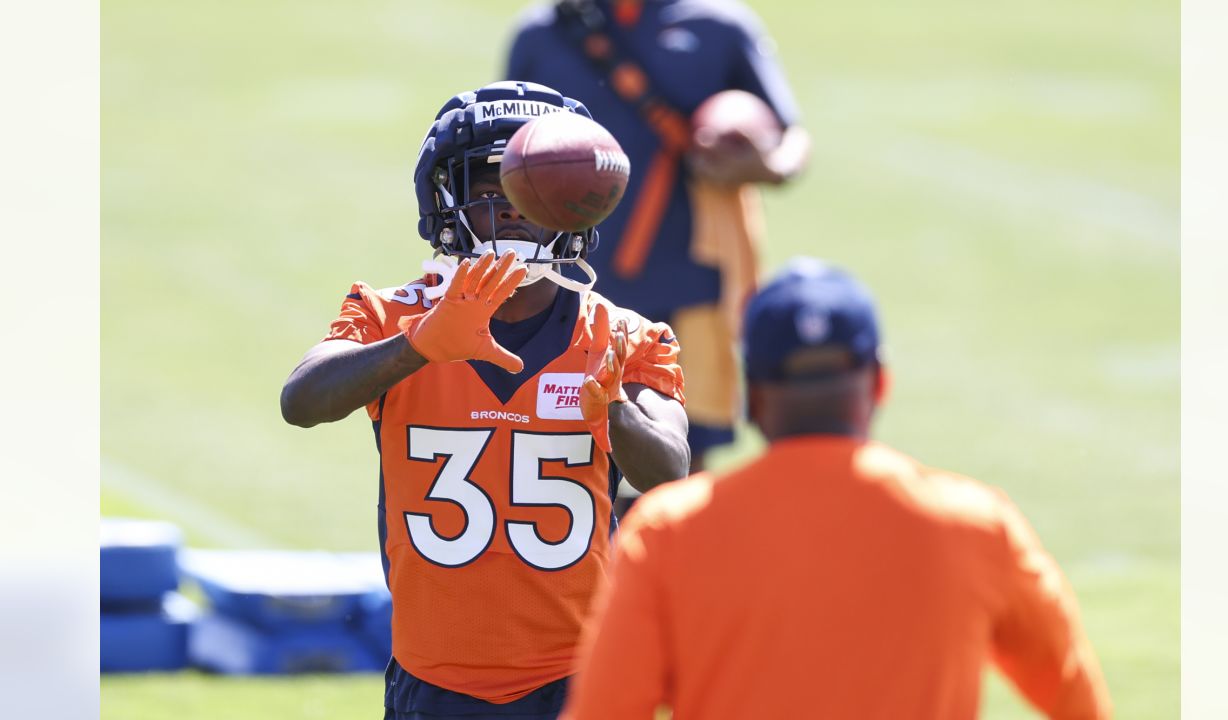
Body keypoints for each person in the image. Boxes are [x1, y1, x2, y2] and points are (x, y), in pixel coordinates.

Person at [280, 81, 691, 720]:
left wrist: (612, 410)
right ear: (447, 202)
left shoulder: (623, 335)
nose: (514, 210)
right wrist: (418, 346)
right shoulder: (395, 315)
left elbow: (670, 472)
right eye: (491, 192)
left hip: (580, 679)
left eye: (530, 191)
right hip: (435, 680)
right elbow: (302, 400)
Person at [561, 258, 1114, 719]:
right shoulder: (976, 525)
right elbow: (1076, 698)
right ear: (880, 383)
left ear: (753, 399)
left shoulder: (668, 535)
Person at [505, 0, 812, 479]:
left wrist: (764, 165)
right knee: (556, 456)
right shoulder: (544, 29)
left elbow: (791, 136)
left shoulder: (720, 25)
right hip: (564, 282)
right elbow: (507, 149)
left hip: (691, 277)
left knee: (681, 459)